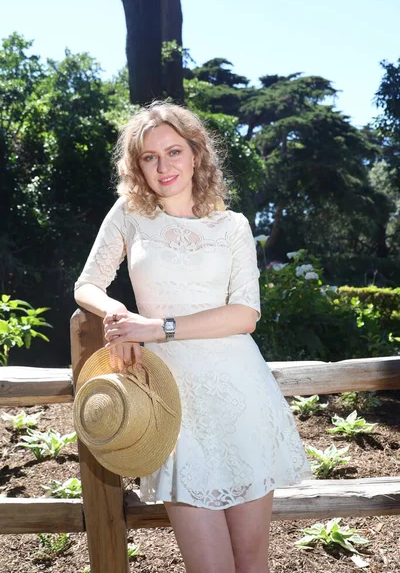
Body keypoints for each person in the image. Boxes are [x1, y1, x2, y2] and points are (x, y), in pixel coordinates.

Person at [74, 101, 313, 573]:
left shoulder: (233, 227)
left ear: (197, 154)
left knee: (252, 564)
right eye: (149, 157)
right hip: (174, 407)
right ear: (136, 165)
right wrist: (119, 315)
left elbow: (245, 315)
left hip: (241, 398)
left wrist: (156, 329)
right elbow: (87, 285)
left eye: (174, 151)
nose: (163, 166)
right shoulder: (129, 215)